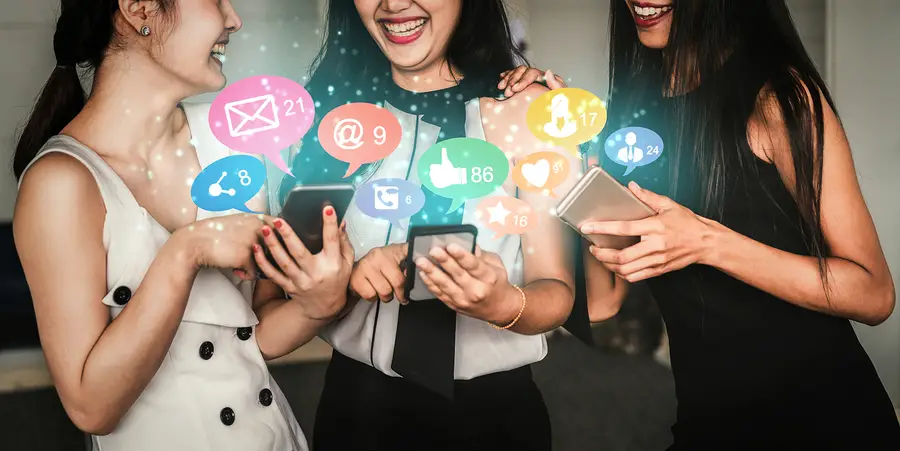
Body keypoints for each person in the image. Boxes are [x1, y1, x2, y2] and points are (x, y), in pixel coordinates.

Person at [508, 0, 900, 449]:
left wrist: (708, 244)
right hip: (709, 422)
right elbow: (605, 301)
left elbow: (874, 294)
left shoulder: (780, 96)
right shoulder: (631, 115)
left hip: (826, 422)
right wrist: (571, 153)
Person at [12, 1, 353, 450]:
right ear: (139, 10)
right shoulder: (61, 183)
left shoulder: (235, 148)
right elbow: (91, 407)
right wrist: (187, 250)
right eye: (215, 0)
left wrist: (319, 305)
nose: (234, 19)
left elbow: (255, 335)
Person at [280, 1, 580, 449]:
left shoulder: (526, 110)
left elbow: (556, 292)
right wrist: (345, 281)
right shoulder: (333, 117)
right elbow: (286, 293)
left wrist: (499, 302)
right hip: (356, 408)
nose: (394, 3)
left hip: (494, 417)